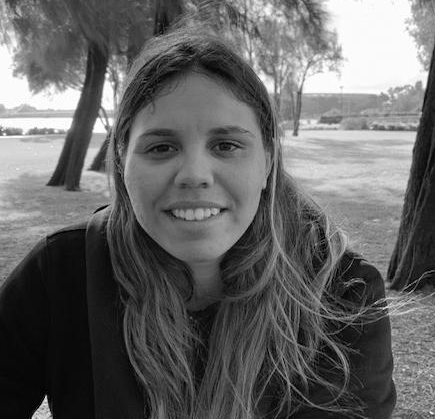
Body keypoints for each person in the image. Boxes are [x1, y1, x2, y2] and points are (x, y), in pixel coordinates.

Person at [0, 28, 396, 419]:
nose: (194, 174)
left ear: (268, 162)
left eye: (226, 145)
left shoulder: (341, 292)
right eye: (161, 147)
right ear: (121, 164)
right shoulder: (62, 273)